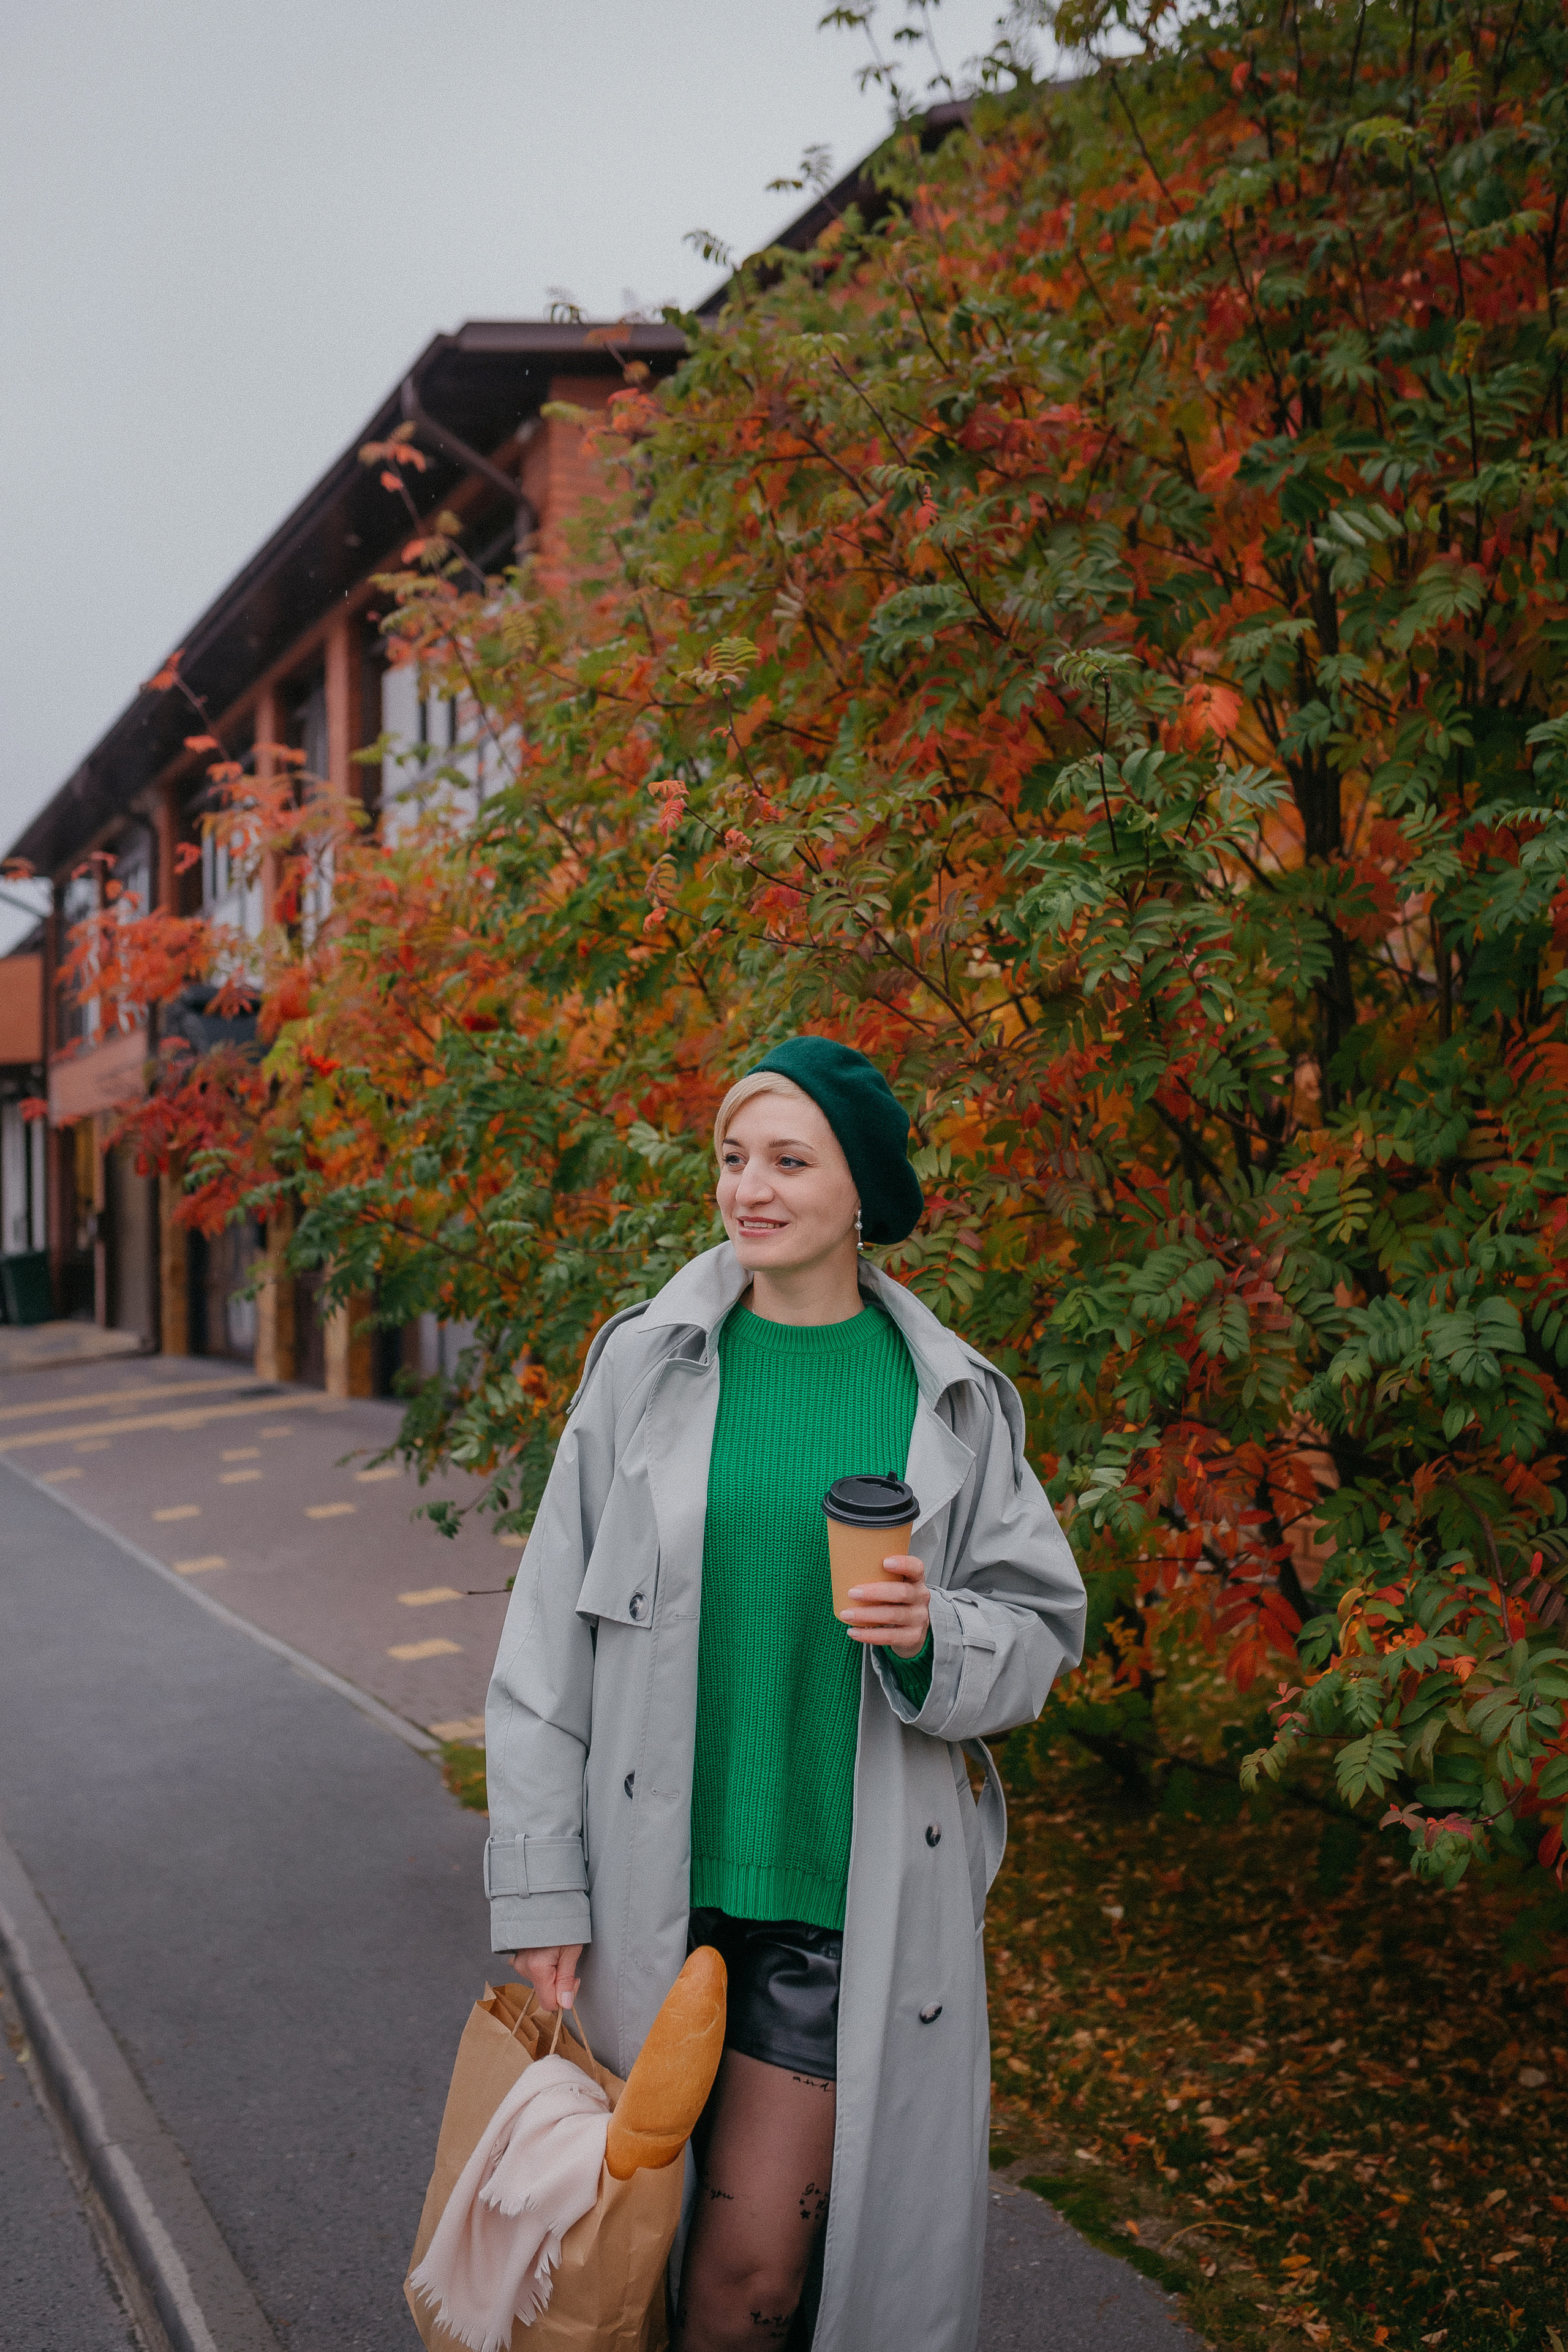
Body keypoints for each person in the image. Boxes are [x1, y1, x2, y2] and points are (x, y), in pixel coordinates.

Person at [482, 1036, 1085, 2352]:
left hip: (836, 1909)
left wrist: (932, 1637)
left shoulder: (952, 1402)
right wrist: (541, 1883)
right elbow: (543, 1646)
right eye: (731, 1157)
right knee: (615, 2272)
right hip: (656, 1892)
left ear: (858, 1190)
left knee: (746, 2285)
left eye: (786, 1160)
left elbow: (1042, 1626)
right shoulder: (646, 1366)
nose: (747, 1188)